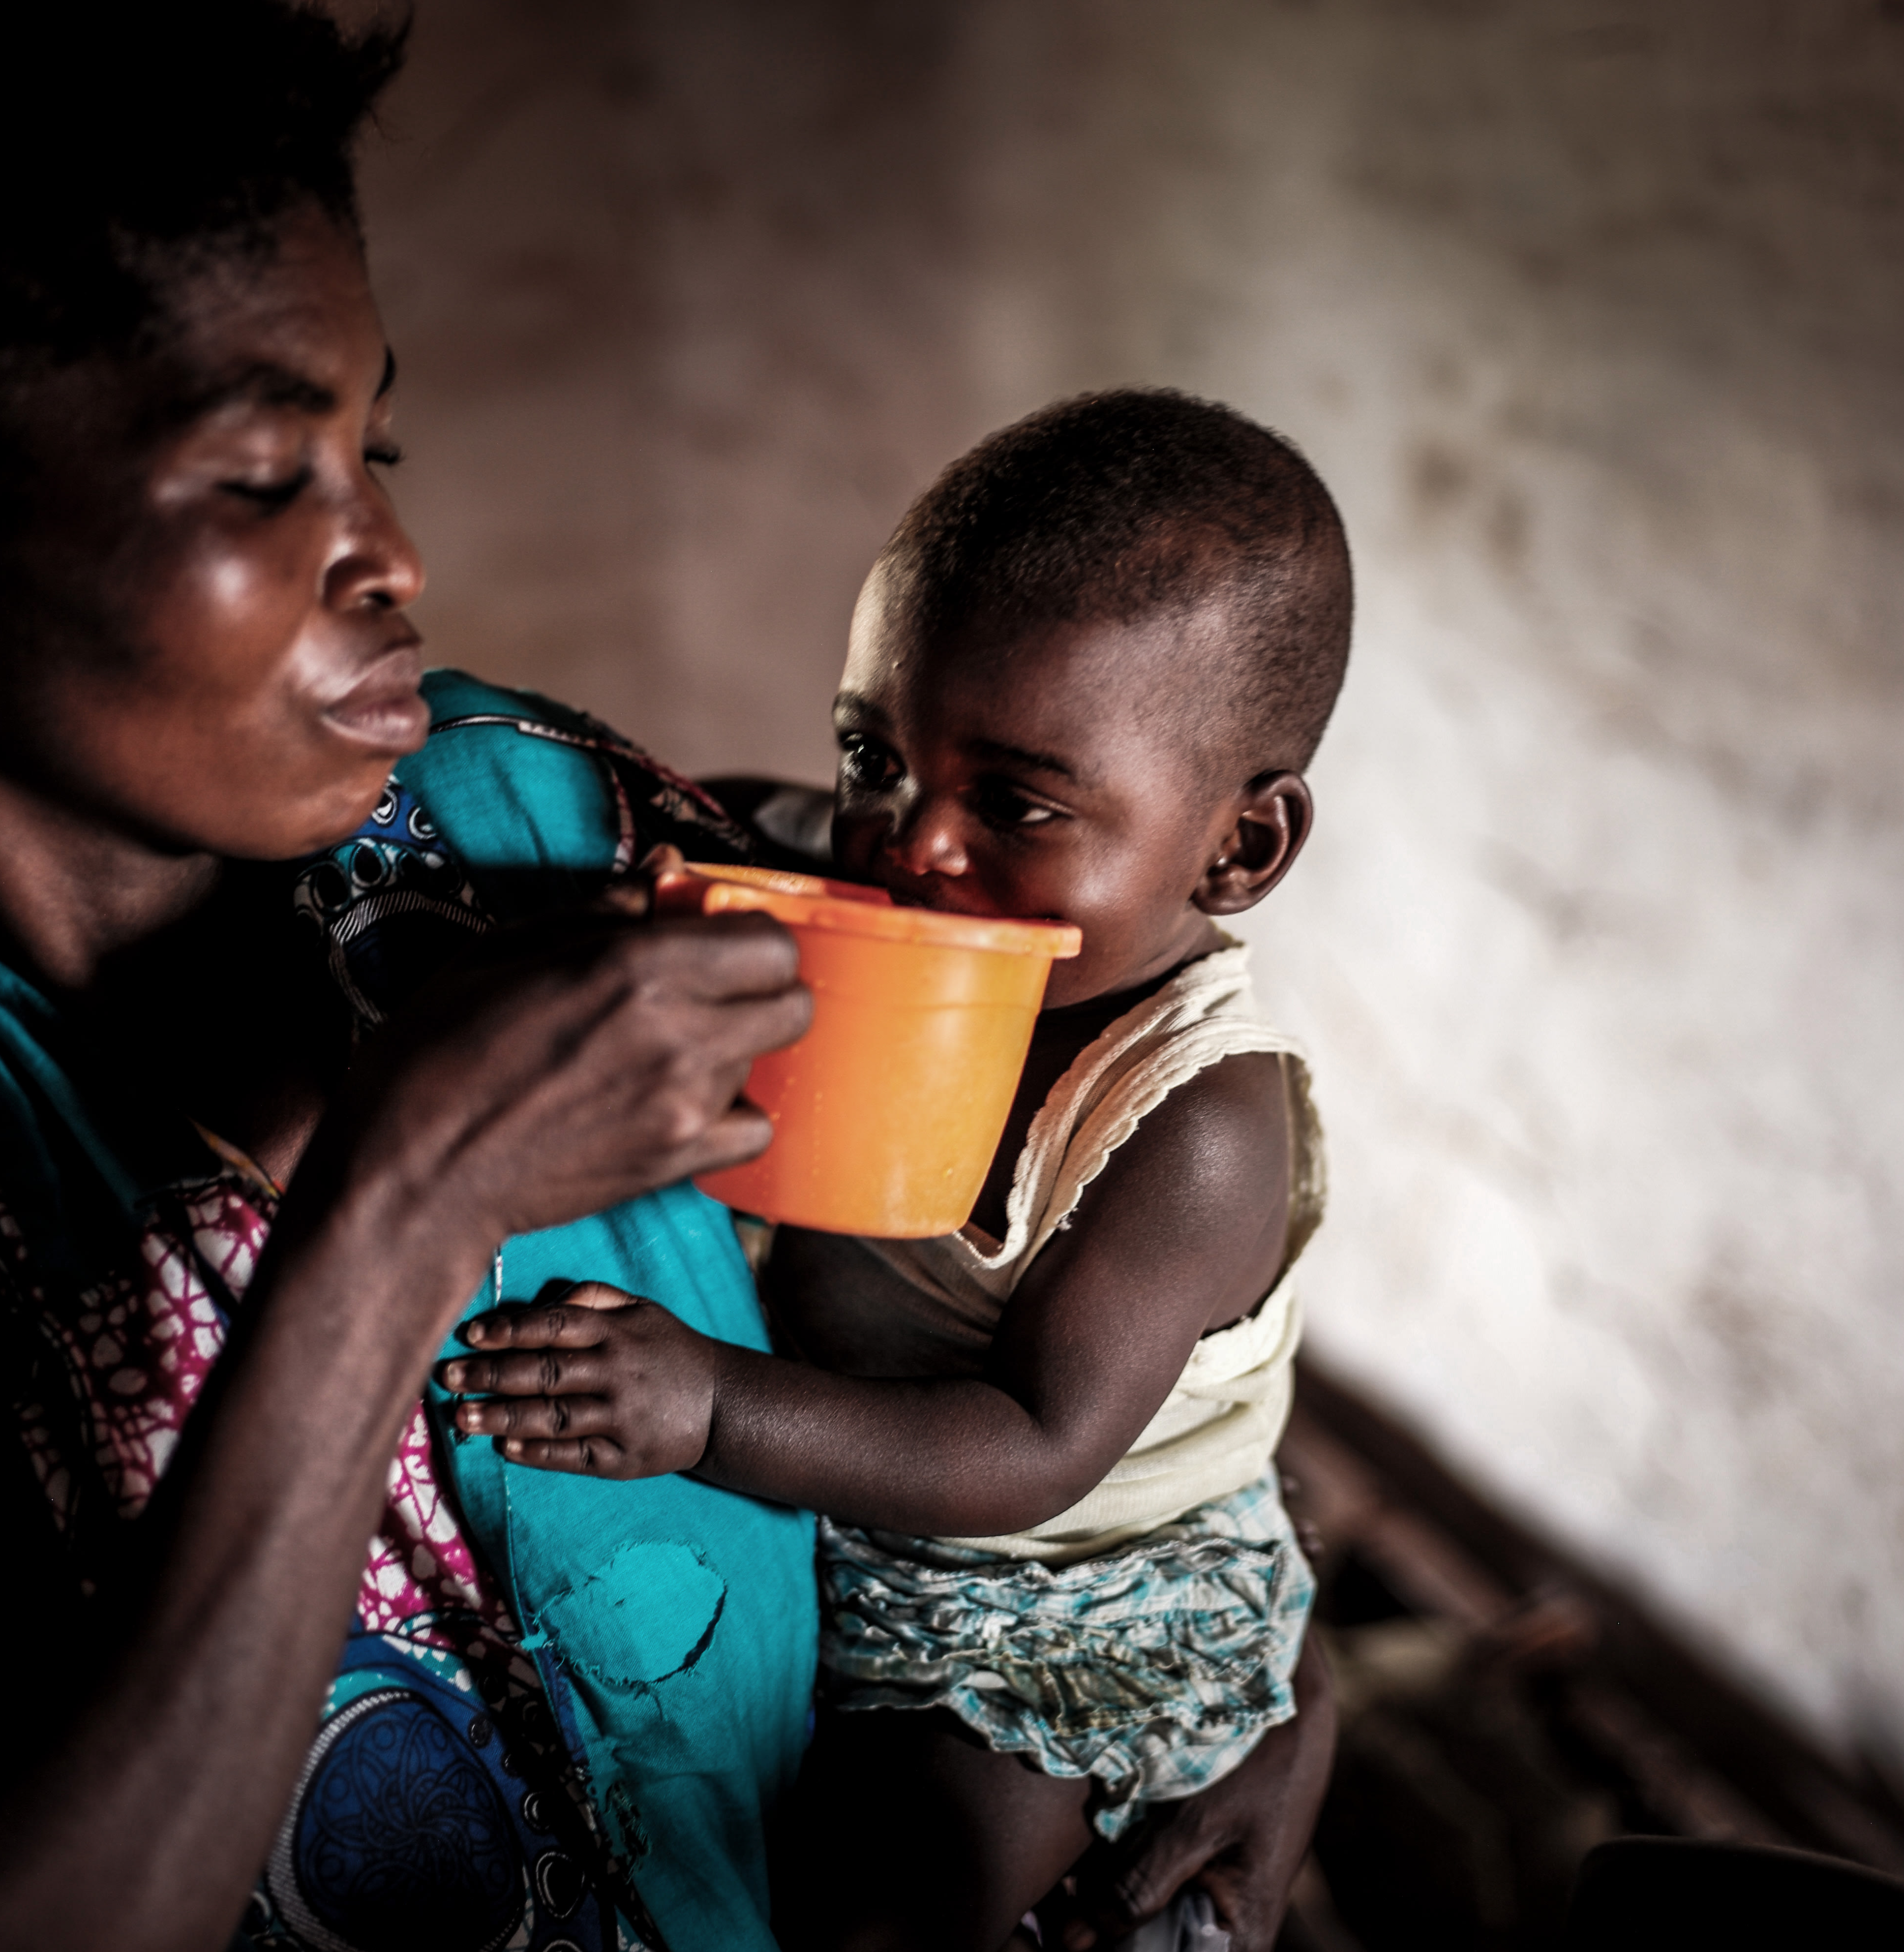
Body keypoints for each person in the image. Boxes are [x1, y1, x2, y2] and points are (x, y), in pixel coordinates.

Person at [0, 6, 1330, 1949]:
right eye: (258, 480)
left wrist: (1242, 1646)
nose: (391, 553)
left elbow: (1072, 1096)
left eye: (371, 444)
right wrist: (401, 1207)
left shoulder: (523, 809)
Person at [443, 390, 1348, 1952]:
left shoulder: (1191, 1126)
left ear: (1238, 851)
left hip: (1064, 1587)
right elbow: (727, 823)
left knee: (891, 1899)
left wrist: (712, 1406)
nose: (907, 844)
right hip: (855, 1497)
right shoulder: (885, 889)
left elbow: (1036, 1446)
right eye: (876, 752)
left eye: (1015, 803)